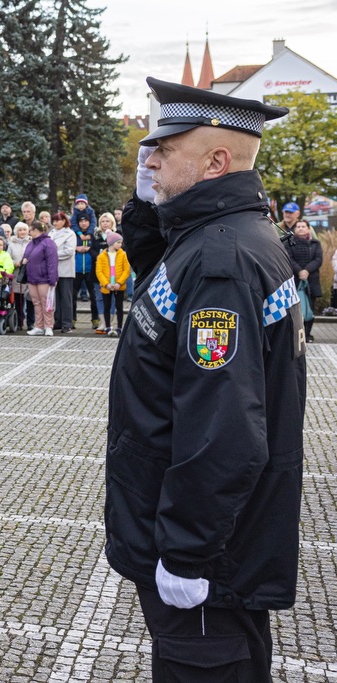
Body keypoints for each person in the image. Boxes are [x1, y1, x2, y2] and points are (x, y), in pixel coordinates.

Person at [108, 77, 305, 682]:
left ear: (216, 161)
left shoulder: (221, 263)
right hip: (217, 544)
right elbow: (158, 278)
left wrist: (187, 553)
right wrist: (147, 205)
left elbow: (223, 431)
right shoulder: (212, 239)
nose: (151, 157)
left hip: (213, 560)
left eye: (166, 148)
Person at [286, 219, 323, 343]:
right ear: (295, 229)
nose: (301, 228)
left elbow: (318, 259)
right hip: (294, 280)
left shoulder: (315, 243)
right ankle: (295, 334)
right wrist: (299, 271)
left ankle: (307, 334)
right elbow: (288, 258)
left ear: (308, 229)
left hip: (311, 280)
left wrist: (306, 270)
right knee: (294, 308)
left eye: (303, 226)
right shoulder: (289, 242)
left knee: (309, 308)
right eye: (298, 226)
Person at [21, 222, 57, 336]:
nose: (29, 232)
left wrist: (52, 279)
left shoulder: (48, 243)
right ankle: (39, 326)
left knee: (46, 303)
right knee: (36, 303)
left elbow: (52, 262)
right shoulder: (31, 243)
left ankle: (48, 326)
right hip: (32, 278)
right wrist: (24, 261)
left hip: (44, 278)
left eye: (30, 230)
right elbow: (25, 256)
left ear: (36, 230)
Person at [95, 231, 129, 336]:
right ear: (111, 243)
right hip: (107, 286)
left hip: (119, 286)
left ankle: (119, 327)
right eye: (118, 242)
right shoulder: (101, 256)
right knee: (107, 306)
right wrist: (106, 284)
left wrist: (119, 283)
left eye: (121, 242)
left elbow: (126, 270)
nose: (120, 244)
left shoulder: (123, 255)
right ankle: (108, 327)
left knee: (119, 306)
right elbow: (99, 271)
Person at [49, 211, 77, 333]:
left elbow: (69, 251)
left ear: (64, 221)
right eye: (54, 220)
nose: (55, 223)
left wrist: (52, 255)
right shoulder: (51, 233)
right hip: (53, 270)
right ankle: (58, 321)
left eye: (57, 220)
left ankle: (67, 323)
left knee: (66, 297)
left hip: (65, 270)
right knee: (56, 298)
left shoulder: (70, 234)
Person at [73, 214, 100, 330]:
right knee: (73, 296)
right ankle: (72, 319)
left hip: (90, 270)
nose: (83, 223)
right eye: (81, 221)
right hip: (76, 270)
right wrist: (76, 248)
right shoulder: (74, 235)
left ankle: (95, 319)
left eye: (86, 221)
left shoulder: (94, 234)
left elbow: (95, 248)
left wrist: (89, 249)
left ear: (89, 222)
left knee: (94, 296)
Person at [7, 222, 33, 331]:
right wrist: (15, 263)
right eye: (20, 230)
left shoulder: (32, 242)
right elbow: (7, 258)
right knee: (18, 300)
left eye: (24, 230)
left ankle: (31, 323)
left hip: (30, 274)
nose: (22, 232)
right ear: (16, 231)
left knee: (30, 299)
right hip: (17, 274)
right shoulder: (11, 243)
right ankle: (19, 322)